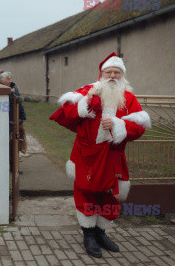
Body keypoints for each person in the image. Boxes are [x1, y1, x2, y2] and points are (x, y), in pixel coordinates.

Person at [49, 52, 151, 258]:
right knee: (86, 192)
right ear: (101, 74)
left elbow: (139, 127)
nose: (112, 75)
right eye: (108, 72)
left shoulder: (129, 99)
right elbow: (65, 116)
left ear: (122, 76)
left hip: (113, 156)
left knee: (109, 196)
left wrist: (119, 124)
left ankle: (100, 233)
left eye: (116, 72)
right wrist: (85, 105)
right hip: (87, 154)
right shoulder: (88, 92)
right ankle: (88, 234)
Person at [0, 71, 27, 172]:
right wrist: (9, 92)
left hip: (15, 120)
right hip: (3, 121)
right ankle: (1, 167)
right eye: (8, 78)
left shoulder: (14, 88)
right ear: (1, 79)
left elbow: (19, 104)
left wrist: (22, 117)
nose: (10, 80)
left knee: (14, 145)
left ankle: (14, 167)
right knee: (2, 145)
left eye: (10, 78)